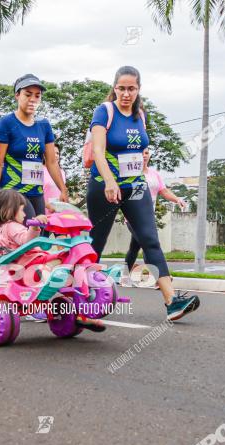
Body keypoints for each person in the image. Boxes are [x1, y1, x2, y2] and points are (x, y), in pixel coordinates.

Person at [87, 66, 199, 321]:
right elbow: (98, 151)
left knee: (150, 239)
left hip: (135, 185)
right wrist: (109, 182)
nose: (126, 94)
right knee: (96, 243)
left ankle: (172, 301)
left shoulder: (140, 115)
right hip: (104, 185)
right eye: (122, 88)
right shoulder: (104, 111)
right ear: (114, 88)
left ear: (139, 89)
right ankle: (83, 298)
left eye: (132, 89)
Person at [0, 189, 105, 332]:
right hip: (30, 265)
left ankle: (72, 299)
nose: (24, 215)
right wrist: (35, 226)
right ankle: (72, 286)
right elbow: (25, 240)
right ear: (8, 210)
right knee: (63, 258)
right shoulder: (12, 226)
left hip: (20, 268)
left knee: (60, 261)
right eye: (22, 210)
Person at [0, 74, 68, 222]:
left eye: (37, 96)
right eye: (28, 94)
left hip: (36, 192)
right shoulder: (6, 123)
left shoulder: (44, 125)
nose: (33, 99)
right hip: (13, 193)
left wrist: (63, 189)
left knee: (37, 237)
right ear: (17, 95)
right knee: (28, 233)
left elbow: (51, 162)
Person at [124, 148, 189, 277]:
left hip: (148, 216)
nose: (144, 156)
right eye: (141, 153)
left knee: (134, 248)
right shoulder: (129, 174)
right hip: (133, 217)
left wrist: (177, 199)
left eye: (146, 153)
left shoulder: (155, 174)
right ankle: (160, 277)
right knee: (149, 244)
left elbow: (164, 191)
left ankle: (124, 276)